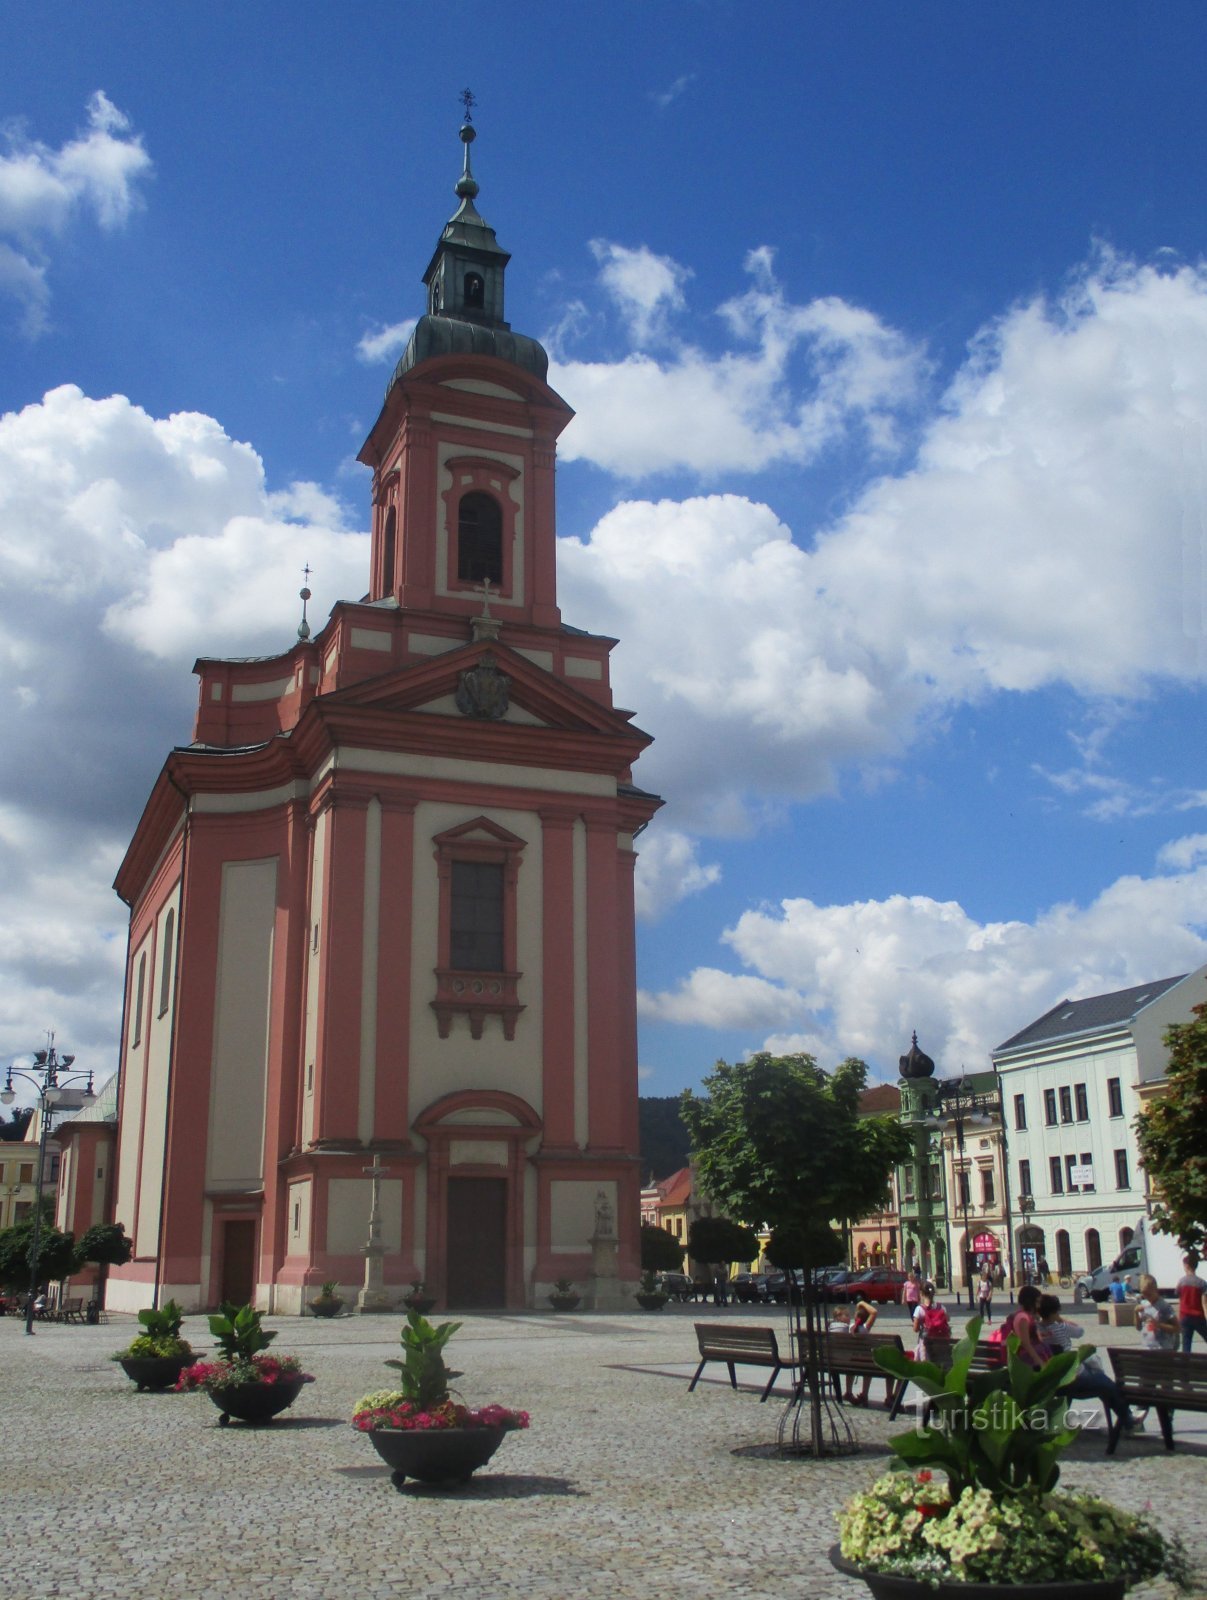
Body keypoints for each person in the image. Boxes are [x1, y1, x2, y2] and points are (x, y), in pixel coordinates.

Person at [1010, 1285, 1141, 1432]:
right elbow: (1079, 1331)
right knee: (1107, 1384)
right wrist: (1059, 1319)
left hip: (1054, 1376)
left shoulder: (1037, 1327)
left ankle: (1127, 1420)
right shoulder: (1053, 1326)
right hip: (1067, 1376)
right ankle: (1128, 1420)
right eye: (1037, 1300)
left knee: (1102, 1381)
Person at [828, 1298, 879, 1404]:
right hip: (853, 1362)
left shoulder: (845, 1328)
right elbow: (874, 1312)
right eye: (846, 1315)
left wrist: (859, 1307)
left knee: (853, 1364)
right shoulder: (861, 1329)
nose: (849, 1316)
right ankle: (864, 1394)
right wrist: (861, 1303)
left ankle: (848, 1392)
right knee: (868, 1365)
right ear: (838, 1317)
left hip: (838, 1360)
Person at [1135, 1274, 1178, 1352]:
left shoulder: (1164, 1306)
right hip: (1147, 1347)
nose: (1147, 1297)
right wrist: (1135, 1313)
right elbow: (1138, 1327)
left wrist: (1158, 1325)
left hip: (1164, 1348)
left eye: (1149, 1294)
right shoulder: (1144, 1304)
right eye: (1144, 1294)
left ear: (1155, 1290)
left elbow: (1177, 1328)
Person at [1176, 1254, 1207, 1352]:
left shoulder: (1181, 1282)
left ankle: (1185, 1364)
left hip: (1185, 1316)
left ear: (1186, 1266)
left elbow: (1179, 1299)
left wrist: (1178, 1316)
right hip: (1198, 1316)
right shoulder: (1202, 1283)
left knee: (1186, 1343)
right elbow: (1204, 1303)